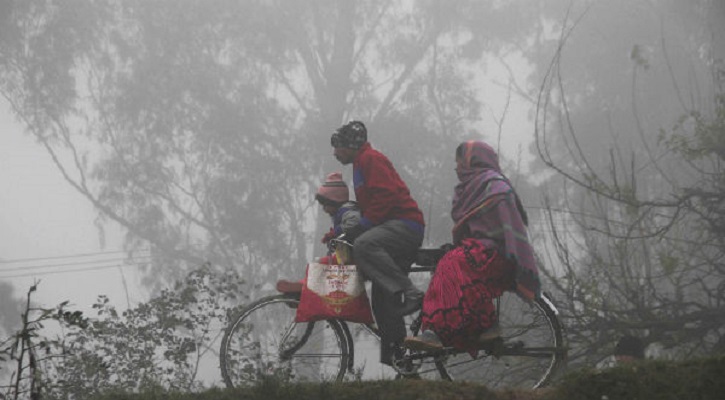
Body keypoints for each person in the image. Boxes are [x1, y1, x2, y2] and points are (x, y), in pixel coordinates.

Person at [404, 140, 540, 352]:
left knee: (452, 263)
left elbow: (511, 229)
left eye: (459, 162)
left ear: (472, 161)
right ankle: (482, 327)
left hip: (498, 255)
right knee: (450, 261)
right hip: (479, 251)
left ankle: (437, 332)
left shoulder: (496, 186)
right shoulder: (471, 187)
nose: (456, 168)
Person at [330, 120, 426, 366]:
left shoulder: (370, 159)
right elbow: (368, 207)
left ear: (350, 146)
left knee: (364, 245)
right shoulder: (360, 164)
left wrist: (362, 228)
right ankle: (401, 363)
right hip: (389, 229)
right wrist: (341, 231)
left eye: (337, 146)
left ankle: (411, 292)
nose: (334, 152)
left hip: (405, 225)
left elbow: (385, 196)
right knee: (383, 302)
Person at [275, 172, 361, 293]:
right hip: (346, 254)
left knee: (322, 264)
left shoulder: (347, 211)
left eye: (325, 205)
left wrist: (336, 232)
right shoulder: (340, 214)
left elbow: (355, 222)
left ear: (334, 201)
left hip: (352, 256)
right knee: (322, 264)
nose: (324, 209)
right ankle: (303, 285)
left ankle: (304, 287)